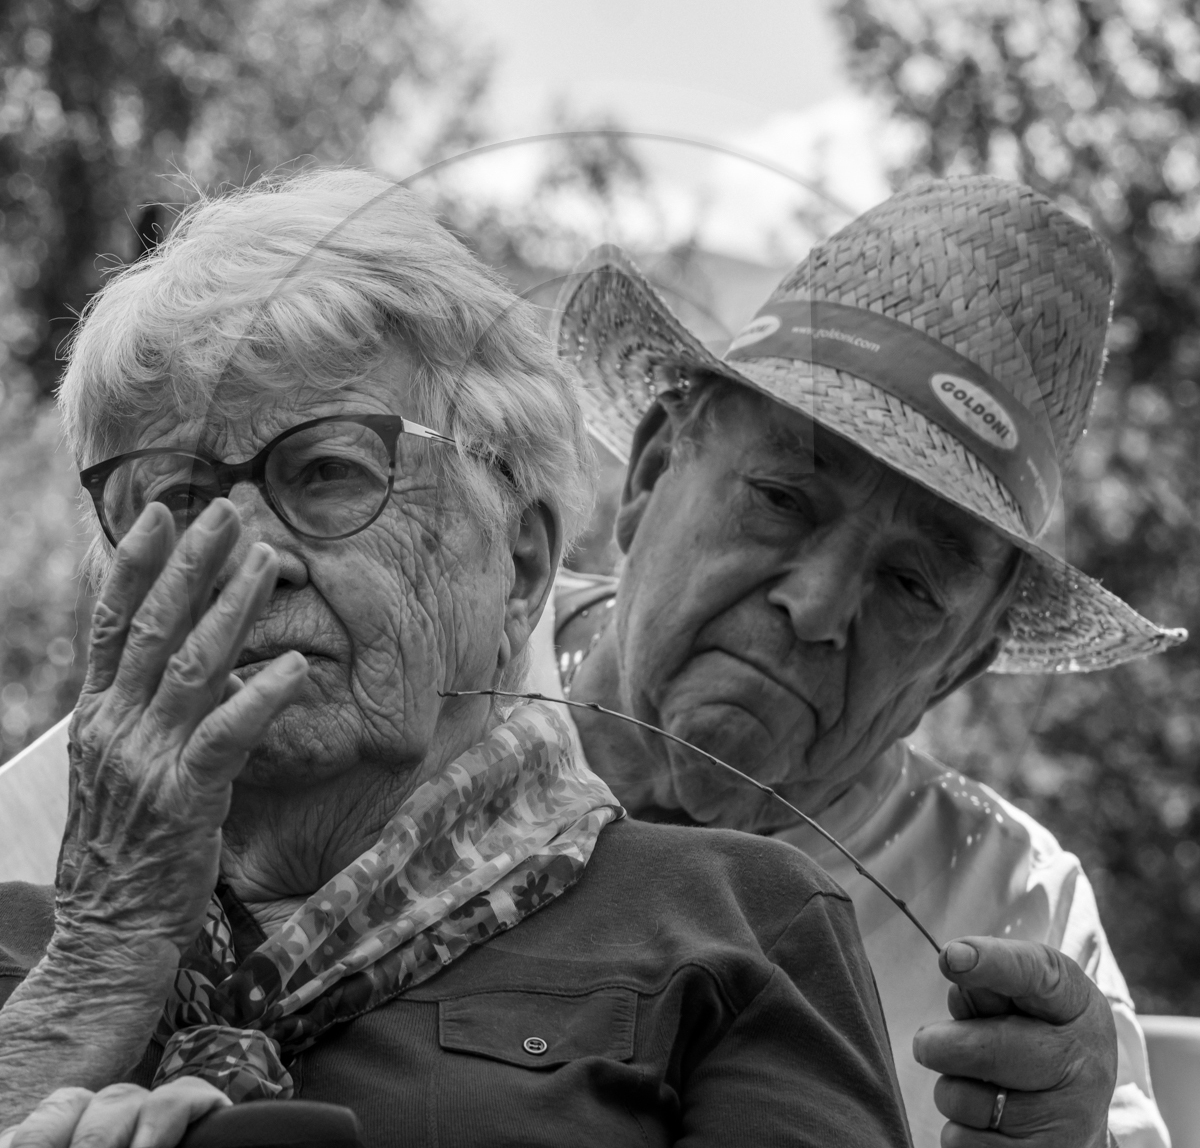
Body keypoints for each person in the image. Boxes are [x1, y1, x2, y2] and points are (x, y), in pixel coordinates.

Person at [0, 170, 913, 1148]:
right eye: (175, 497)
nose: (250, 555)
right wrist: (97, 968)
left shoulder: (733, 922)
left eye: (329, 471)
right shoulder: (29, 949)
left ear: (521, 559)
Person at [547, 176, 1185, 1148]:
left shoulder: (1010, 907)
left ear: (961, 664)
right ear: (649, 472)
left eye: (912, 583)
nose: (817, 605)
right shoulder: (411, 685)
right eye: (783, 498)